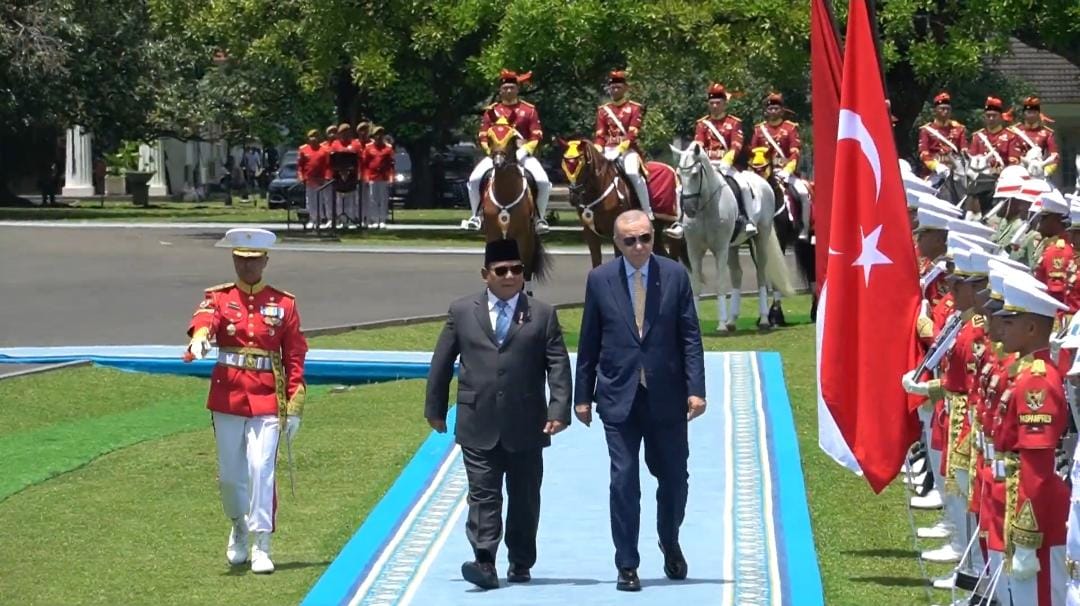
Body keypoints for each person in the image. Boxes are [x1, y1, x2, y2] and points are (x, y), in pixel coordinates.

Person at [424, 238, 572, 590]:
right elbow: (442, 362)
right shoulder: (461, 311)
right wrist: (435, 408)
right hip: (478, 419)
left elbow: (558, 365)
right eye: (501, 270)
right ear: (485, 274)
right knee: (483, 493)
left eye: (516, 270)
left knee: (524, 495)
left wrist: (559, 408)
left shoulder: (543, 314)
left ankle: (520, 561)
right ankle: (485, 561)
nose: (509, 276)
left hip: (527, 420)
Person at [574, 209, 706, 591]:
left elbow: (690, 338)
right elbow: (589, 340)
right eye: (629, 240)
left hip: (667, 397)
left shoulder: (675, 275)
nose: (638, 246)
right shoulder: (599, 280)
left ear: (654, 237)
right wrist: (583, 396)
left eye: (645, 238)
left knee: (675, 480)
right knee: (624, 480)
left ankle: (670, 539)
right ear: (617, 243)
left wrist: (696, 388)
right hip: (618, 397)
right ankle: (627, 563)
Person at [184, 227, 308, 574]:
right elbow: (207, 317)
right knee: (230, 475)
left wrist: (294, 401)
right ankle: (238, 525)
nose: (246, 267)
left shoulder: (283, 303)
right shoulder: (220, 296)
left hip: (268, 396)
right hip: (228, 395)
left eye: (253, 261)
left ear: (265, 261)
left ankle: (262, 541)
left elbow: (294, 354)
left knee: (260, 468)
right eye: (240, 260)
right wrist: (201, 337)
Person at [994, 275, 1069, 605]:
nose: (1002, 328)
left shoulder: (1036, 381)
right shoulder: (1026, 372)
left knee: (1038, 598)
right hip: (1023, 500)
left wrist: (1026, 539)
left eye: (1010, 322)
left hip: (1038, 517)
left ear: (1031, 330)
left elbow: (1037, 468)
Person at [465, 69, 551, 234]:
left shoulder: (529, 110)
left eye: (512, 87)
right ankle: (475, 216)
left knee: (542, 182)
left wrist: (525, 150)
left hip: (522, 154)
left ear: (517, 89)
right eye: (505, 88)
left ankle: (540, 218)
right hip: (496, 153)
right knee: (474, 179)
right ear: (500, 90)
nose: (508, 91)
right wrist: (490, 150)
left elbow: (537, 135)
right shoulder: (492, 111)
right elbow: (483, 134)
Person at [594, 71, 654, 221]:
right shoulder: (603, 110)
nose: (615, 90)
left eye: (618, 87)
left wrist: (619, 150)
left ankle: (647, 210)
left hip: (628, 151)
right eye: (612, 87)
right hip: (607, 150)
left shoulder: (635, 108)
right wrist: (598, 151)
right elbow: (600, 135)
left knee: (632, 173)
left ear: (625, 88)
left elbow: (632, 134)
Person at [688, 82, 744, 240]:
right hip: (707, 164)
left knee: (743, 186)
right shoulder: (702, 124)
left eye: (718, 103)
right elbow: (698, 143)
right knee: (684, 186)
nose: (714, 106)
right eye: (711, 103)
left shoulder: (734, 122)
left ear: (724, 103)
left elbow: (736, 144)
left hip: (727, 165)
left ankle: (746, 219)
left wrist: (728, 159)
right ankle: (681, 221)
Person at [917, 91, 968, 179]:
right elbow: (923, 153)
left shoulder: (959, 129)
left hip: (955, 171)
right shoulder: (926, 130)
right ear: (935, 110)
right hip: (933, 172)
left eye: (948, 109)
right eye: (942, 109)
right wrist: (936, 166)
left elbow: (964, 150)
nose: (946, 111)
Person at [1009, 96, 1060, 178]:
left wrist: (1046, 172)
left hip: (1039, 173)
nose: (1031, 114)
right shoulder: (1014, 131)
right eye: (1028, 112)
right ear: (1024, 113)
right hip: (1018, 173)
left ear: (1038, 114)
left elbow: (1054, 157)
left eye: (1034, 112)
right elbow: (1010, 154)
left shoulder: (1047, 133)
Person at [968, 96, 1015, 176]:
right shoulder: (978, 136)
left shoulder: (1011, 136)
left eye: (994, 115)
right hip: (981, 178)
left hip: (1004, 177)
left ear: (1001, 117)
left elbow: (1014, 163)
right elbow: (973, 160)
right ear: (984, 117)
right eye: (988, 116)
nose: (991, 118)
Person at [331, 124, 364, 228]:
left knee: (351, 198)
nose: (345, 134)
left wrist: (359, 174)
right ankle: (341, 220)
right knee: (339, 199)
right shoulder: (335, 144)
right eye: (342, 132)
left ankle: (350, 219)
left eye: (347, 131)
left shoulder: (355, 144)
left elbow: (360, 159)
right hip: (338, 175)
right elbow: (332, 160)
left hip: (351, 175)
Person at [362, 126, 395, 229]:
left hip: (384, 177)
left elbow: (391, 165)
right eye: (377, 134)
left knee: (383, 199)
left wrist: (391, 178)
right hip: (372, 177)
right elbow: (365, 164)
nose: (379, 136)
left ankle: (383, 219)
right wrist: (366, 177)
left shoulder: (388, 148)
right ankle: (375, 219)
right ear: (374, 136)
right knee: (373, 199)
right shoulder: (368, 147)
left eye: (381, 134)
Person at [297, 129, 329, 229]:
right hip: (309, 180)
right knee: (310, 201)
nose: (313, 138)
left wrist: (326, 178)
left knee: (322, 200)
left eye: (315, 136)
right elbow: (300, 166)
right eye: (311, 136)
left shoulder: (324, 149)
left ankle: (322, 219)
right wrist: (301, 177)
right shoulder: (303, 149)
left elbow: (328, 165)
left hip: (321, 180)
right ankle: (312, 219)